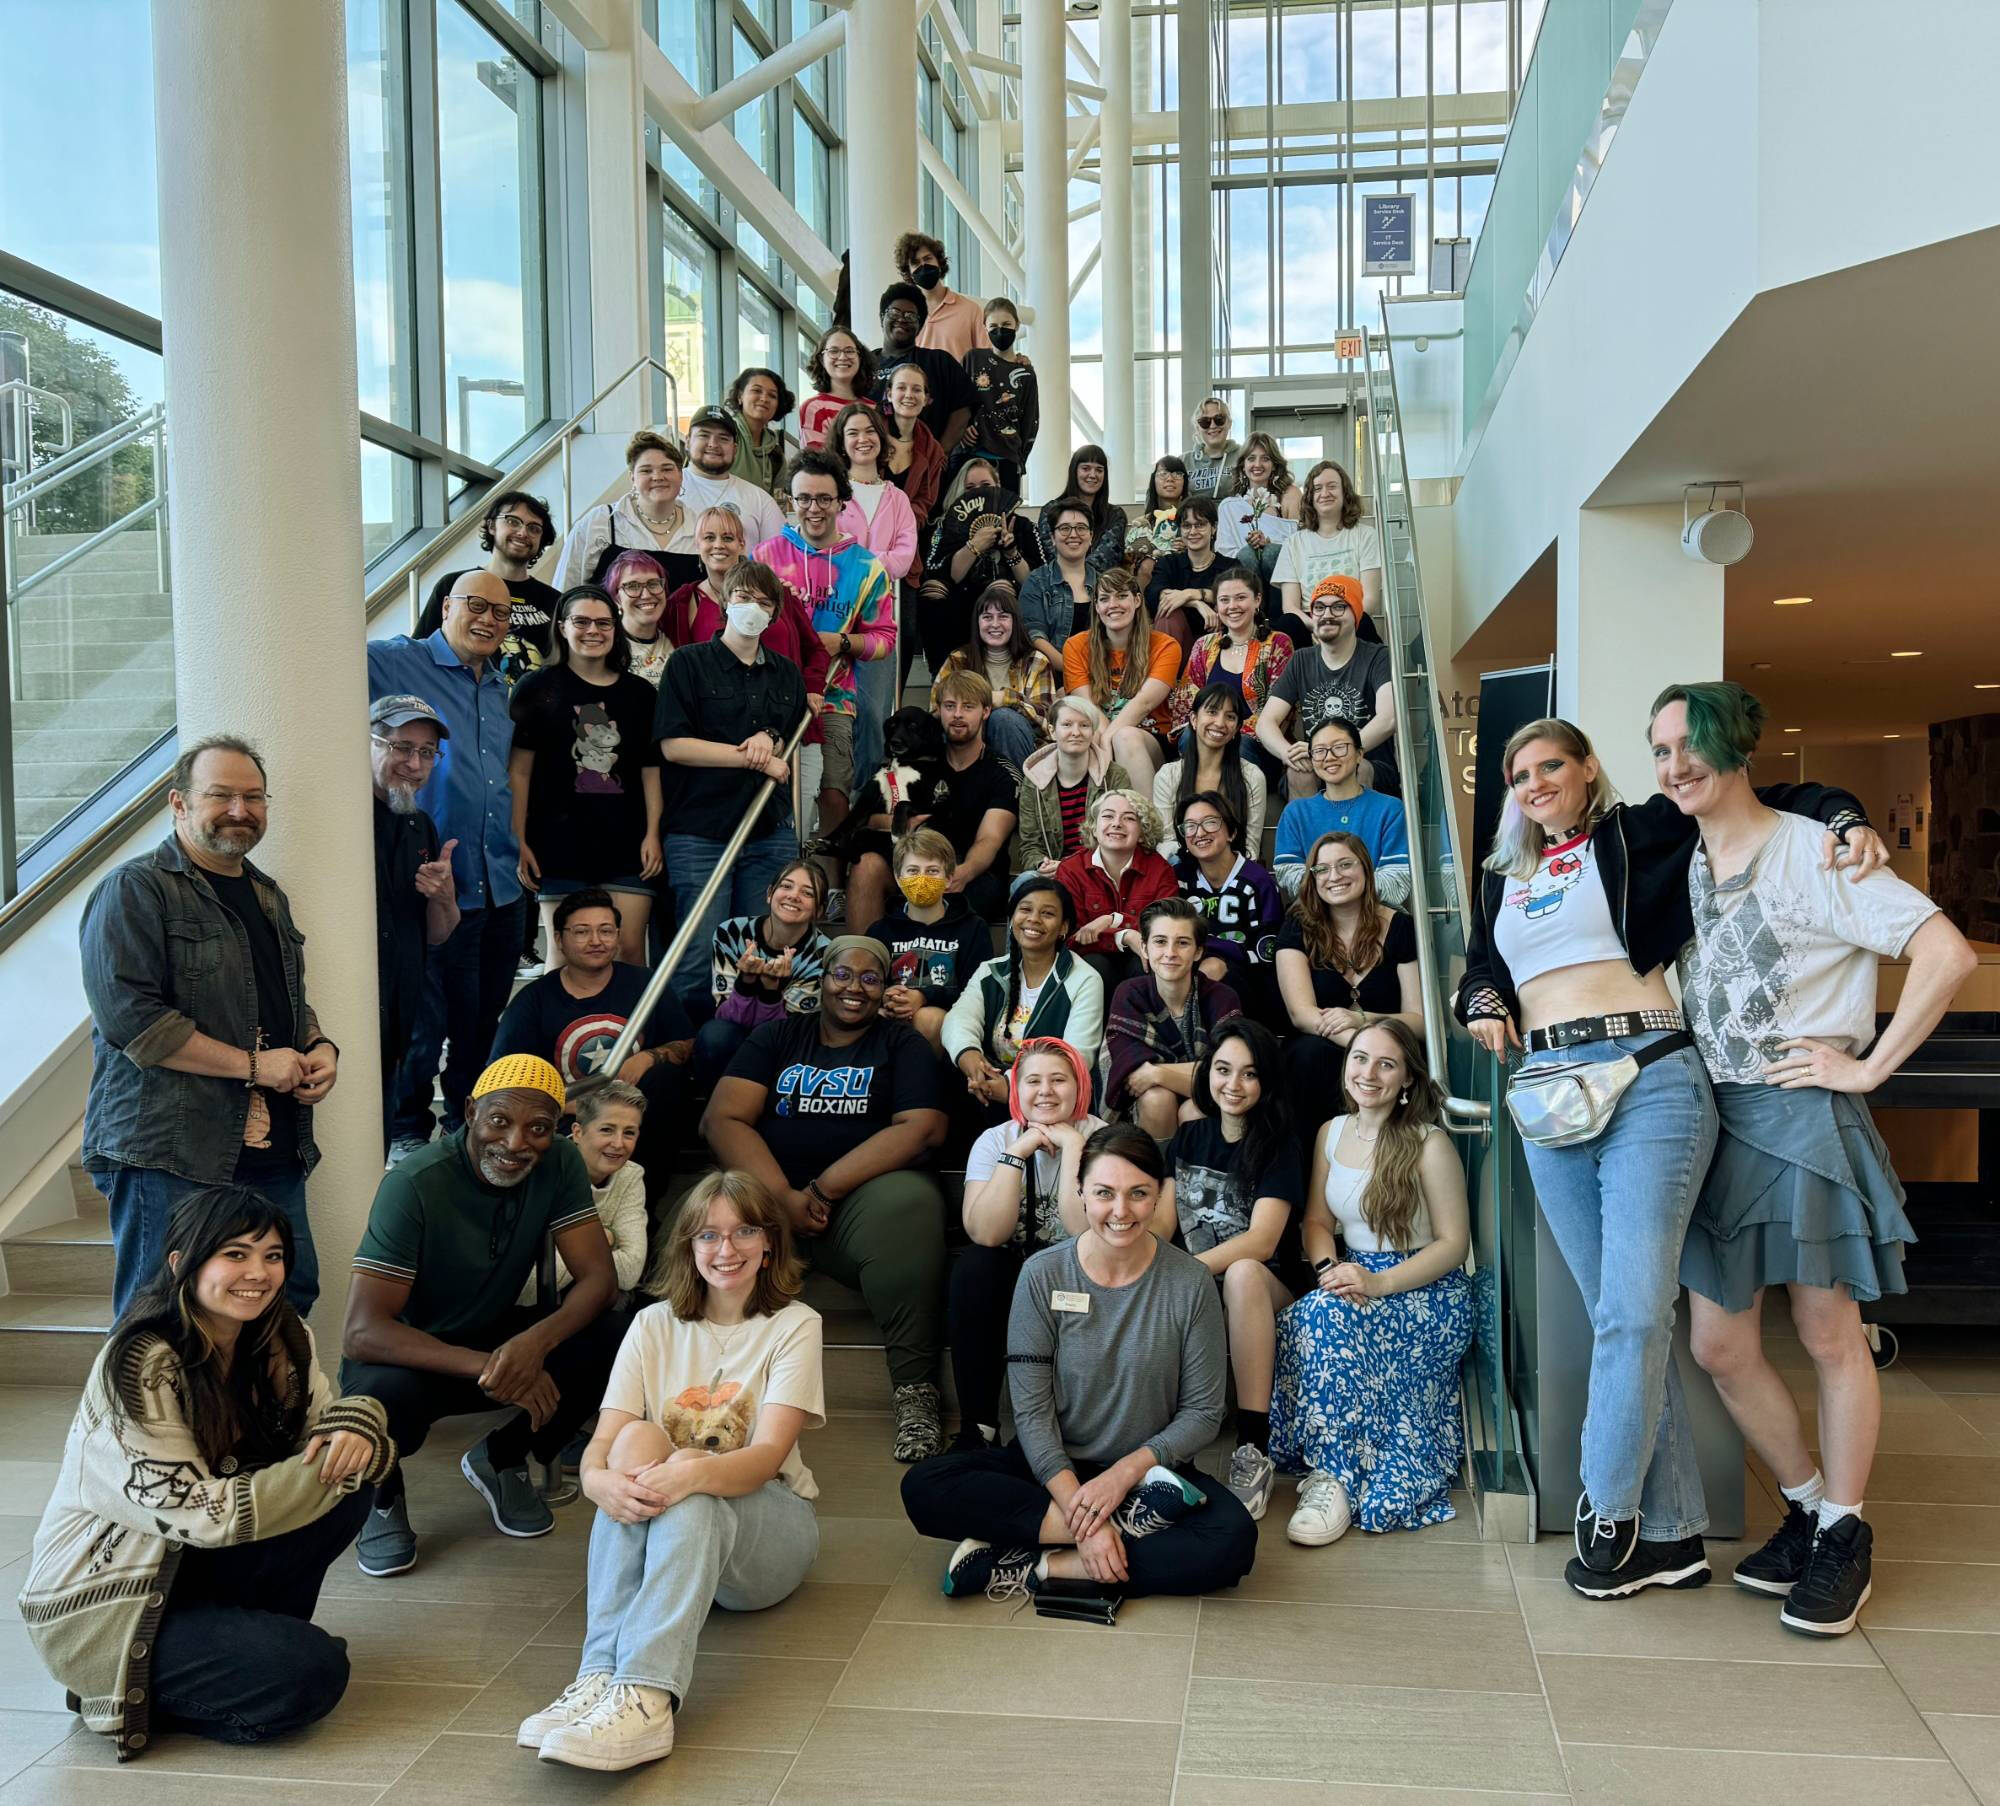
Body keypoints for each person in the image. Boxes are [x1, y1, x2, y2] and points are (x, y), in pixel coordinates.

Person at [1459, 715, 1887, 1602]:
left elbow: (1768, 803)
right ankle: (1672, 1534)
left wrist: (1843, 817)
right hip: (1547, 1090)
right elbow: (1481, 969)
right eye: (1519, 774)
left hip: (1648, 1073)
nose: (1534, 784)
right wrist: (1481, 1000)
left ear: (1585, 772)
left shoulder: (1640, 829)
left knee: (1633, 1312)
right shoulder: (1505, 871)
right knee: (1621, 1316)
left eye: (1550, 767)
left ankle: (1607, 1504)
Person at [1653, 682, 1975, 1636]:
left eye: (1688, 745)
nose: (1673, 766)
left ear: (1733, 747)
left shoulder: (1815, 849)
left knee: (1831, 1333)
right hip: (1716, 1123)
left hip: (1800, 1119)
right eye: (1659, 749)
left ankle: (1847, 1531)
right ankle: (1808, 1506)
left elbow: (1945, 953)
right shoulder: (1689, 857)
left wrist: (1868, 1065)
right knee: (1720, 1344)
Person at [21, 1188, 395, 1760]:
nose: (259, 1272)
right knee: (311, 1674)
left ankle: (251, 1642)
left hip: (190, 1570)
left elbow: (332, 1425)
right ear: (181, 1262)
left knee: (348, 1476)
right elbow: (200, 1515)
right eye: (236, 1254)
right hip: (105, 1606)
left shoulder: (281, 1337)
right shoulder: (139, 1364)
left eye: (272, 1255)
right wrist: (342, 1455)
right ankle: (118, 1687)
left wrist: (361, 1422)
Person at [521, 1170, 824, 1773]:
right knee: (636, 1440)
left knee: (690, 1469)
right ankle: (599, 1674)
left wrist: (686, 1475)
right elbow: (604, 1447)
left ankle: (647, 1696)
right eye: (708, 1236)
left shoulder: (796, 1324)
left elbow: (764, 1459)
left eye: (743, 1232)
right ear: (688, 1246)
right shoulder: (652, 1324)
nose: (726, 1249)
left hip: (770, 1538)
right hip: (679, 1529)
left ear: (769, 1244)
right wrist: (599, 1482)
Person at [900, 1124, 1258, 1603]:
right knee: (923, 1486)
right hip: (1053, 1466)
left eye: (1138, 1194)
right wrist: (1082, 1515)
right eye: (1104, 1193)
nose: (1120, 1211)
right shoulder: (1043, 1273)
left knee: (1233, 1542)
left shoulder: (1190, 1283)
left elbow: (1203, 1413)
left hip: (1149, 1474)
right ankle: (1108, 1535)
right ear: (1081, 1194)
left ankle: (1036, 1565)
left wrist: (1124, 1475)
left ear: (1157, 1198)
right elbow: (1029, 1410)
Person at [81, 736, 337, 1316]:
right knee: (161, 1316)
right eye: (220, 795)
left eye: (253, 796)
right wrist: (253, 1066)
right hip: (169, 1150)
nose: (240, 810)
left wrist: (319, 1045)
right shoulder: (134, 890)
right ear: (179, 803)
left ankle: (252, 1412)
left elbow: (286, 999)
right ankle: (153, 1415)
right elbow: (134, 1023)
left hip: (271, 1148)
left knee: (287, 1300)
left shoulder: (268, 895)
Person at [340, 1055, 624, 1569]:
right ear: (470, 1112)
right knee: (378, 1396)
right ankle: (378, 1496)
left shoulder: (558, 1161)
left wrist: (533, 1344)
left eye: (538, 1128)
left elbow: (600, 1281)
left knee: (620, 1332)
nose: (516, 1143)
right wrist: (494, 1366)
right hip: (410, 1352)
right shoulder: (414, 1182)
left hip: (491, 1334)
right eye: (499, 1121)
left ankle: (502, 1458)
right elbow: (362, 1333)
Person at [701, 937, 951, 1461]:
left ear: (885, 989)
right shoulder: (778, 1036)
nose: (854, 988)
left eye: (870, 978)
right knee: (704, 1209)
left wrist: (821, 1189)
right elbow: (722, 1118)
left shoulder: (900, 1044)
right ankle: (693, 1389)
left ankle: (915, 1391)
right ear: (822, 980)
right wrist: (783, 1198)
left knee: (913, 1203)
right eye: (842, 974)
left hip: (858, 1204)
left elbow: (923, 1127)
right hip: (771, 1201)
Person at [1270, 1019, 1474, 1540]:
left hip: (1422, 1287)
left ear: (1407, 1079)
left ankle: (1338, 1480)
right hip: (1353, 1271)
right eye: (1360, 1058)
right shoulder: (1330, 1133)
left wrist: (1379, 1284)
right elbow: (1316, 1222)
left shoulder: (1429, 1144)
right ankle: (1333, 1470)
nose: (1369, 1072)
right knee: (1316, 1313)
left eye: (1387, 1063)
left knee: (1327, 1318)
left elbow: (1454, 1245)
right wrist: (1327, 1270)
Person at [369, 571, 527, 1160]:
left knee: (481, 1024)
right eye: (476, 605)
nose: (489, 619)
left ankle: (467, 1133)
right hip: (431, 886)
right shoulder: (396, 661)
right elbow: (317, 653)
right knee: (421, 1024)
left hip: (501, 887)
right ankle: (407, 1131)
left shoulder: (501, 687)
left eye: (502, 612)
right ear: (446, 607)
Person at [655, 557, 812, 1011]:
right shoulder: (688, 663)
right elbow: (674, 746)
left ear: (775, 614)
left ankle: (746, 1049)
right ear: (725, 601)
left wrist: (771, 741)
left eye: (764, 602)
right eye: (743, 598)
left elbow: (785, 742)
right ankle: (689, 1056)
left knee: (760, 952)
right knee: (698, 952)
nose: (753, 608)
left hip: (768, 830)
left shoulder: (785, 673)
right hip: (700, 830)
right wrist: (755, 760)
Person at [1163, 1017, 1302, 1521]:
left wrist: (1185, 1271)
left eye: (1248, 1073)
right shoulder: (1188, 1138)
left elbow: (1263, 1241)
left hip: (1268, 1293)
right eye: (1223, 1070)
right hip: (1200, 1292)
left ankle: (1253, 1447)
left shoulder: (1280, 1144)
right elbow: (1159, 1225)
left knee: (1241, 1271)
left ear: (1266, 1081)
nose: (1233, 1085)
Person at [950, 1038, 1107, 1445]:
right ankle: (979, 1427)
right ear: (1016, 1089)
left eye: (1059, 1080)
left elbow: (1085, 1231)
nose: (1045, 1091)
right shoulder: (994, 1140)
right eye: (1032, 1081)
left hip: (1081, 1272)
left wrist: (1073, 1146)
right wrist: (1017, 1152)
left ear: (1080, 1087)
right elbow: (986, 1232)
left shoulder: (1105, 1140)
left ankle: (1060, 1431)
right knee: (975, 1266)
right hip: (1014, 1270)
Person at [489, 888, 692, 1182]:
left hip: (634, 1119)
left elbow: (686, 1042)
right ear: (559, 939)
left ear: (619, 935)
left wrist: (648, 1058)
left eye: (606, 931)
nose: (596, 941)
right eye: (582, 932)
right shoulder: (532, 1001)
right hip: (568, 1119)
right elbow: (505, 1081)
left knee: (668, 1079)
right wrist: (586, 1108)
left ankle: (648, 1203)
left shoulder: (644, 982)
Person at [508, 585, 664, 966]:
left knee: (627, 955)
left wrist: (654, 834)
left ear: (616, 629)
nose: (592, 631)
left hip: (627, 845)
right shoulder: (535, 688)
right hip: (557, 846)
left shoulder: (641, 694)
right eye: (581, 621)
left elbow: (650, 771)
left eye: (603, 623)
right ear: (562, 627)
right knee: (564, 959)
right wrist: (518, 839)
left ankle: (629, 1030)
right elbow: (519, 772)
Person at [755, 450, 895, 834]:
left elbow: (885, 638)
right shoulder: (765, 557)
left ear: (840, 502)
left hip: (834, 697)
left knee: (833, 791)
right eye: (804, 499)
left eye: (824, 499)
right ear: (791, 501)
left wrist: (843, 642)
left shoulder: (867, 568)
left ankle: (832, 887)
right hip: (767, 692)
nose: (813, 508)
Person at [842, 668, 1019, 932]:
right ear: (938, 711)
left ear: (985, 712)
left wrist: (960, 873)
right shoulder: (917, 762)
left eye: (967, 706)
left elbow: (989, 840)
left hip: (972, 874)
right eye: (950, 706)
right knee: (866, 864)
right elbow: (873, 817)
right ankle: (861, 962)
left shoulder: (1002, 773)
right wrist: (907, 825)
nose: (957, 714)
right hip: (912, 865)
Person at [1278, 832, 1423, 1145]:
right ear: (1312, 878)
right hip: (1321, 1047)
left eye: (1345, 865)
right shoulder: (1297, 926)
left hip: (1386, 1044)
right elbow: (1301, 1014)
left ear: (1366, 870)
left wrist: (1363, 1021)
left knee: (1390, 1062)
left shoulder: (1401, 927)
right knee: (1309, 1055)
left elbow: (1419, 1020)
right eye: (1323, 869)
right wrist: (1360, 1047)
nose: (1335, 876)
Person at [370, 697, 460, 1140]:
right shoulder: (341, 818)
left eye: (427, 753)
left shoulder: (420, 824)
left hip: (399, 1012)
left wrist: (443, 899)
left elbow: (438, 934)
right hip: (347, 1013)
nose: (414, 764)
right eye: (401, 747)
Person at [945, 874, 1107, 1120]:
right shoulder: (991, 971)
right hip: (988, 1084)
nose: (1033, 919)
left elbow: (1078, 1055)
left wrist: (1011, 1085)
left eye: (1048, 913)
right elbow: (959, 1019)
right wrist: (971, 1060)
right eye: (1026, 910)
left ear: (1064, 927)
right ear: (1012, 920)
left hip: (1050, 1098)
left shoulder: (1084, 979)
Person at [1104, 897, 1242, 1140]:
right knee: (1158, 1098)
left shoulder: (1221, 997)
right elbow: (1131, 1074)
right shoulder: (1130, 994)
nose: (1170, 953)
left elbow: (1230, 1072)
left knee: (1195, 1110)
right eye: (1160, 941)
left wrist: (1157, 1073)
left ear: (1198, 951)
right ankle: (1155, 1175)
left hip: (1212, 1103)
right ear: (1145, 948)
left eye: (1182, 943)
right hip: (1142, 1105)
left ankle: (1193, 1176)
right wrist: (1194, 1073)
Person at [829, 401, 918, 775]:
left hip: (881, 619)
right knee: (834, 709)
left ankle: (867, 797)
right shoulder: (831, 494)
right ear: (841, 442)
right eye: (853, 433)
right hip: (832, 614)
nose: (862, 439)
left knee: (874, 711)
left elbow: (904, 556)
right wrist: (871, 560)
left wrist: (858, 558)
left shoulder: (897, 498)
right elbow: (827, 552)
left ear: (880, 440)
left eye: (869, 431)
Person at [1257, 572, 1397, 799]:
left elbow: (1389, 718)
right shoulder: (1302, 659)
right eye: (1319, 608)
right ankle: (1309, 836)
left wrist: (1341, 750)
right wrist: (1287, 752)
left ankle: (1354, 836)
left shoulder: (1377, 656)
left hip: (1368, 762)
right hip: (1316, 761)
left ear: (1356, 614)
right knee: (1299, 769)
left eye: (1338, 607)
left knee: (1352, 767)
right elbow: (1266, 723)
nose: (1327, 615)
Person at [696, 859, 831, 1091]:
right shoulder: (731, 933)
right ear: (770, 894)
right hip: (734, 1031)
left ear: (819, 910)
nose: (793, 896)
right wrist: (745, 983)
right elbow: (724, 1016)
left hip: (790, 1044)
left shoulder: (823, 953)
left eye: (807, 892)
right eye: (786, 886)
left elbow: (786, 1032)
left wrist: (771, 991)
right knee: (715, 1035)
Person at [415, 490, 559, 686]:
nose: (523, 532)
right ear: (491, 526)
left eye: (534, 528)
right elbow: (420, 653)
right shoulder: (454, 585)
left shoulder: (555, 600)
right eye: (512, 521)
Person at [1168, 568, 1294, 783]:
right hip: (1206, 738)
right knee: (1190, 736)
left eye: (1240, 598)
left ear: (1257, 600)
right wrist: (1212, 729)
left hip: (1256, 745)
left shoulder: (1278, 644)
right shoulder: (1204, 646)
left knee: (1240, 744)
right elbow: (1186, 702)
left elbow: (1280, 709)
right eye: (1224, 600)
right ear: (1216, 607)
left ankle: (1233, 812)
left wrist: (1227, 730)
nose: (1232, 606)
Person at [1063, 567, 1184, 789]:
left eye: (1121, 596)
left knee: (1125, 737)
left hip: (1151, 739)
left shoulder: (1166, 646)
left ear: (1137, 600)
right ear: (1097, 606)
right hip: (1097, 734)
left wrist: (1109, 737)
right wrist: (1104, 738)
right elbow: (1088, 707)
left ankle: (1149, 822)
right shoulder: (1075, 646)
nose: (1113, 605)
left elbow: (1144, 703)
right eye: (1104, 598)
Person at [1173, 789, 1285, 1024]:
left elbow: (1268, 950)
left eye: (1210, 823)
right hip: (1188, 968)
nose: (1200, 833)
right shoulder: (1179, 879)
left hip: (1249, 978)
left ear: (1232, 831)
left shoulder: (1258, 881)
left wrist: (1218, 956)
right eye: (1190, 826)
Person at [1272, 715, 1410, 905]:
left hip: (1376, 915)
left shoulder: (1390, 809)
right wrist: (1341, 887)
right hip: (1317, 917)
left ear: (1359, 754)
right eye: (1319, 751)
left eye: (1339, 748)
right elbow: (1288, 873)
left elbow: (1397, 879)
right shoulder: (1296, 812)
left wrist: (1339, 887)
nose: (1329, 757)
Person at [874, 827, 990, 1049]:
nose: (922, 879)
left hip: (947, 1026)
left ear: (948, 879)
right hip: (892, 1017)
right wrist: (887, 998)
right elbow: (867, 981)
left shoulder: (973, 928)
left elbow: (976, 992)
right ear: (898, 879)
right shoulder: (880, 931)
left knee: (928, 1018)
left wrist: (923, 997)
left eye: (932, 871)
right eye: (913, 871)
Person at [1057, 786, 1178, 993]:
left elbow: (1166, 929)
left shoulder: (1160, 869)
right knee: (1095, 966)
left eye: (1129, 818)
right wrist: (1125, 936)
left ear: (1143, 831)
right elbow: (1072, 938)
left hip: (1142, 959)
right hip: (1093, 963)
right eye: (1108, 816)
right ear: (1094, 828)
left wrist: (1112, 920)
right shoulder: (1070, 870)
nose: (1116, 824)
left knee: (1147, 963)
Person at [920, 461, 1034, 676]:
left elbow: (1032, 579)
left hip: (1004, 604)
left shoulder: (1022, 526)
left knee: (999, 589)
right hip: (960, 603)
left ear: (997, 485)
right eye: (970, 488)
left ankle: (1004, 669)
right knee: (933, 589)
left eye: (985, 484)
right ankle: (941, 673)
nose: (979, 492)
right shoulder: (946, 526)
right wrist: (973, 546)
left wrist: (1010, 552)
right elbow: (942, 573)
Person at [929, 580, 1059, 767]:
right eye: (987, 617)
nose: (995, 624)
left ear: (1015, 621)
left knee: (1003, 718)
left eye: (1003, 616)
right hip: (964, 745)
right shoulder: (958, 660)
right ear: (977, 622)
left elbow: (1049, 720)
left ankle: (1017, 791)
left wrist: (1006, 699)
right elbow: (936, 712)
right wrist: (977, 707)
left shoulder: (1035, 661)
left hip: (1022, 749)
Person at [553, 431, 700, 594]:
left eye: (667, 469)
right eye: (646, 470)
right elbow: (565, 593)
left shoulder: (700, 528)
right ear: (632, 478)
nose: (658, 477)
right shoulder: (600, 522)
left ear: (680, 475)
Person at [550, 1080, 651, 1304]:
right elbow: (532, 1281)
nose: (618, 1144)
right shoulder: (548, 1169)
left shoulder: (630, 1175)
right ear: (577, 1132)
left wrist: (569, 1247)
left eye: (629, 1133)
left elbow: (630, 1271)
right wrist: (605, 1237)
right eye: (607, 1129)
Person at [1014, 691, 1130, 875]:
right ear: (1052, 731)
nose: (1076, 732)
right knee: (1026, 880)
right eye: (1067, 724)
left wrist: (1071, 867)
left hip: (1099, 871)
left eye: (1084, 725)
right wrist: (1041, 864)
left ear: (1093, 732)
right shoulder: (1034, 780)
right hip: (1051, 872)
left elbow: (1123, 837)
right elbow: (1029, 845)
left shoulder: (1114, 776)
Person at [1154, 681, 1268, 863]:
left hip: (1234, 873)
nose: (1220, 723)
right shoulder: (1168, 776)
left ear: (1238, 727)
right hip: (1183, 872)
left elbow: (1251, 847)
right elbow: (1167, 843)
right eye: (1212, 712)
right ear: (1193, 719)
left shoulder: (1252, 776)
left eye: (1230, 717)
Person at [1273, 458, 1382, 635]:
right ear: (1310, 497)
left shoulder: (1366, 535)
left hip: (1351, 618)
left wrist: (1342, 623)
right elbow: (1290, 606)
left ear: (1345, 492)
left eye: (1332, 486)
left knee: (1365, 624)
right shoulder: (1293, 543)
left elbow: (1370, 598)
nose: (1325, 493)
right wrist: (1316, 627)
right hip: (1311, 622)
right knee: (1288, 623)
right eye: (1317, 488)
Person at [874, 281, 973, 451]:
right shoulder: (865, 363)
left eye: (910, 315)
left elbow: (964, 408)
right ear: (882, 317)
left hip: (926, 466)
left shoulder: (939, 361)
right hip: (873, 465)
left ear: (920, 326)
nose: (902, 319)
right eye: (894, 312)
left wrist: (939, 453)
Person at [1146, 496, 1242, 656]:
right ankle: (1167, 677)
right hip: (1179, 648)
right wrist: (1197, 603)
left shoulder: (1230, 566)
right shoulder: (1169, 563)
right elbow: (1154, 595)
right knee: (1168, 614)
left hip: (1220, 650)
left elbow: (1236, 596)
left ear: (1214, 528)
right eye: (1186, 526)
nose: (1193, 532)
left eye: (1200, 525)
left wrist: (1191, 593)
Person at [678, 405, 786, 546]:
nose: (713, 444)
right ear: (687, 441)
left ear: (735, 449)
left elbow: (781, 557)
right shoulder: (666, 490)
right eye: (704, 435)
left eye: (723, 438)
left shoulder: (760, 500)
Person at [962, 297, 1038, 492]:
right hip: (972, 454)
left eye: (1006, 325)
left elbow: (1031, 419)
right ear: (985, 327)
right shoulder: (973, 359)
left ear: (1017, 325)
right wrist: (964, 429)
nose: (1000, 331)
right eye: (993, 326)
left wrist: (1021, 459)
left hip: (1008, 458)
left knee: (1005, 516)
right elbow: (959, 400)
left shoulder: (1025, 373)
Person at [1018, 496, 1098, 671]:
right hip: (1051, 678)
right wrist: (1074, 672)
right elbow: (1034, 636)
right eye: (1064, 528)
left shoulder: (1104, 583)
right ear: (1053, 538)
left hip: (1100, 674)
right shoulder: (1036, 581)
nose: (1074, 534)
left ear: (1091, 537)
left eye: (1081, 528)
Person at [1216, 434, 1300, 596]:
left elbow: (1299, 543)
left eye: (1265, 459)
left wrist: (1269, 543)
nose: (1257, 465)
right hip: (1242, 578)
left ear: (1274, 465)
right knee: (1247, 554)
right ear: (1243, 466)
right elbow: (1224, 553)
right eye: (1251, 458)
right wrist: (1249, 548)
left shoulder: (1290, 496)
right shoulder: (1229, 506)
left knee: (1270, 553)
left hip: (1282, 576)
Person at [1034, 445, 1128, 577]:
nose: (1093, 475)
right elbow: (1051, 553)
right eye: (1086, 468)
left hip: (1101, 588)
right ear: (1074, 471)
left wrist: (1080, 577)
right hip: (1056, 585)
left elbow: (1107, 558)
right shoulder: (1051, 510)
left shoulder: (1115, 515)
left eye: (1099, 470)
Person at [898, 229, 990, 361]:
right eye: (916, 263)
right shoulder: (905, 315)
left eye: (928, 258)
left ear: (939, 262)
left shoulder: (970, 310)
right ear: (909, 272)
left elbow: (988, 358)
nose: (923, 266)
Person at [879, 356, 947, 533]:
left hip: (903, 537)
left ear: (926, 399)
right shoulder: (870, 433)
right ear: (889, 394)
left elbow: (924, 502)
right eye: (901, 387)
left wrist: (901, 528)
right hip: (858, 535)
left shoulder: (933, 451)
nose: (909, 395)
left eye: (917, 390)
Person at [660, 504, 741, 651]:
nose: (718, 545)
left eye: (728, 538)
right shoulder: (680, 603)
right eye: (709, 538)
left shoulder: (771, 592)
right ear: (697, 545)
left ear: (741, 544)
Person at [602, 548, 676, 687]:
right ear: (616, 598)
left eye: (653, 584)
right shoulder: (604, 647)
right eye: (633, 586)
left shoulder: (677, 640)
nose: (646, 595)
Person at [799, 323, 877, 451]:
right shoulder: (814, 408)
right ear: (821, 359)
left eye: (849, 351)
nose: (842, 357)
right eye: (833, 351)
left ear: (860, 358)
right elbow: (816, 461)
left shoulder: (874, 408)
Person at [723, 365, 794, 494]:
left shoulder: (775, 454)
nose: (764, 399)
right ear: (740, 396)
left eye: (772, 395)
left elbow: (778, 504)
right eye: (756, 391)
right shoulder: (724, 435)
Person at [1184, 397, 1243, 501]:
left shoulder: (1244, 456)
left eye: (1219, 419)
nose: (1212, 425)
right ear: (1198, 428)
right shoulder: (1184, 461)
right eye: (1205, 422)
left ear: (1229, 423)